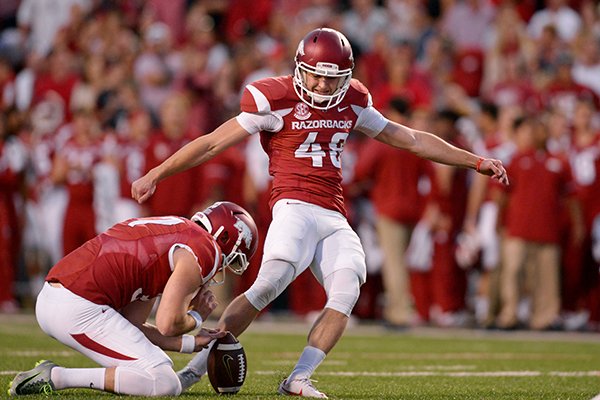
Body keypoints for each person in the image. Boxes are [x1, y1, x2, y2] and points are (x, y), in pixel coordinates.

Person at [131, 28, 509, 398]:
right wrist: (158, 172)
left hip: (333, 213)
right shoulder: (273, 97)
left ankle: (298, 377)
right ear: (300, 68)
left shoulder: (354, 100)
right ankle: (194, 371)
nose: (325, 86)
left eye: (334, 79)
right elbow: (212, 143)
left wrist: (474, 161)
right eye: (318, 76)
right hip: (292, 205)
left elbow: (409, 138)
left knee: (346, 291)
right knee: (267, 284)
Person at [8, 201, 259, 396]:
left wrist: (192, 344)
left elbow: (134, 326)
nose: (222, 267)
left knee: (159, 366)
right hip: (76, 305)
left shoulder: (174, 233)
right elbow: (168, 323)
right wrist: (196, 317)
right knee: (163, 381)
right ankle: (56, 377)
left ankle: (55, 376)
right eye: (233, 259)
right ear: (225, 239)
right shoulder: (206, 248)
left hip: (58, 297)